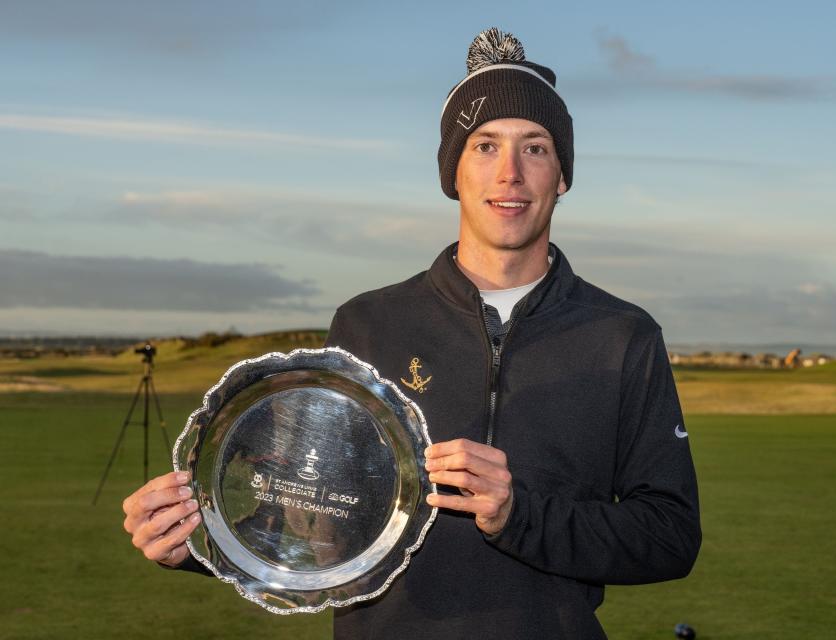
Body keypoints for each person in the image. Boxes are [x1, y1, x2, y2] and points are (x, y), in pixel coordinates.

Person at [121, 27, 701, 639]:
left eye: (535, 148)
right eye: (484, 146)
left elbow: (668, 537)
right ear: (454, 173)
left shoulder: (622, 336)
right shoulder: (368, 323)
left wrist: (517, 515)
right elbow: (314, 519)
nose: (510, 174)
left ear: (561, 176)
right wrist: (200, 542)